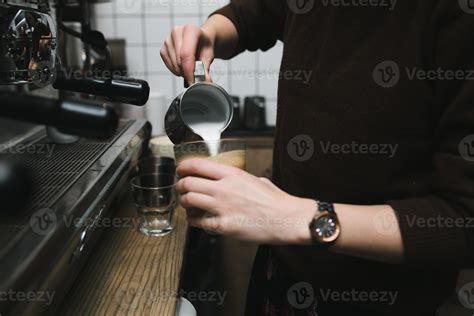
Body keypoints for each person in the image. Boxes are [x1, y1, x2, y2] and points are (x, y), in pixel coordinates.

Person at [160, 1, 474, 315]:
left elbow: (463, 220)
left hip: (385, 296)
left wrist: (303, 218)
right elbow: (255, 12)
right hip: (283, 271)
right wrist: (211, 34)